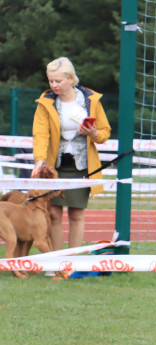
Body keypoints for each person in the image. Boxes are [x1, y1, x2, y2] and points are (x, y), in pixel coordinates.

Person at [31, 57, 112, 252]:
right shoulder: (46, 102)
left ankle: (73, 260)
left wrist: (93, 134)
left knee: (76, 215)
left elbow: (104, 133)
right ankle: (56, 260)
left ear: (70, 78)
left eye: (58, 81)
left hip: (81, 166)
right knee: (53, 215)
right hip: (54, 167)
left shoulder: (90, 100)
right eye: (50, 81)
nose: (53, 85)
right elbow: (40, 133)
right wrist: (39, 159)